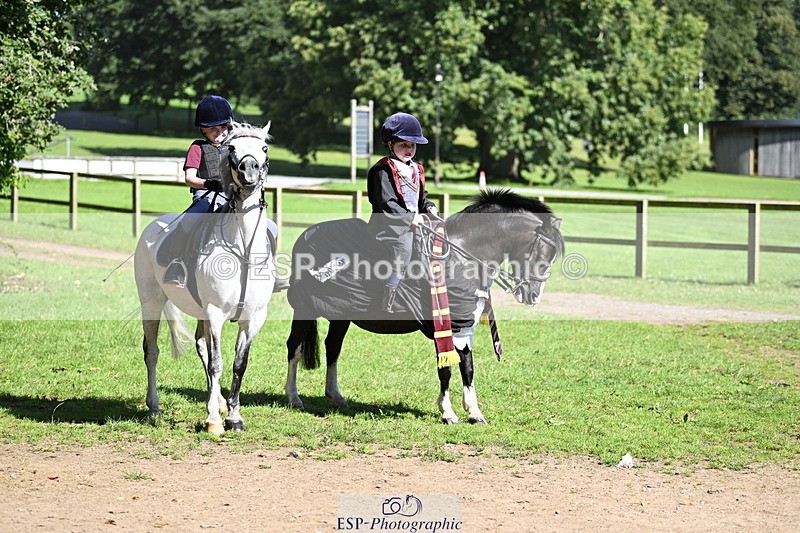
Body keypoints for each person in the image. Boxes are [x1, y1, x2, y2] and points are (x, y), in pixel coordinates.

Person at [163, 95, 287, 291]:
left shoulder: (234, 148)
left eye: (223, 128)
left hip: (233, 197)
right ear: (202, 129)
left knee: (271, 226)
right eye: (213, 129)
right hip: (206, 196)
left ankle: (270, 269)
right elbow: (189, 178)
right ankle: (176, 264)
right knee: (188, 221)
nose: (219, 132)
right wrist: (208, 184)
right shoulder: (197, 148)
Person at [367, 112, 439, 313]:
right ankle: (390, 293)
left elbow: (419, 197)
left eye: (412, 145)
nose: (409, 149)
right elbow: (386, 203)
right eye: (403, 145)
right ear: (390, 144)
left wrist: (428, 206)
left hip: (413, 221)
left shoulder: (416, 168)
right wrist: (410, 218)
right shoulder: (382, 170)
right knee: (404, 247)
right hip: (389, 226)